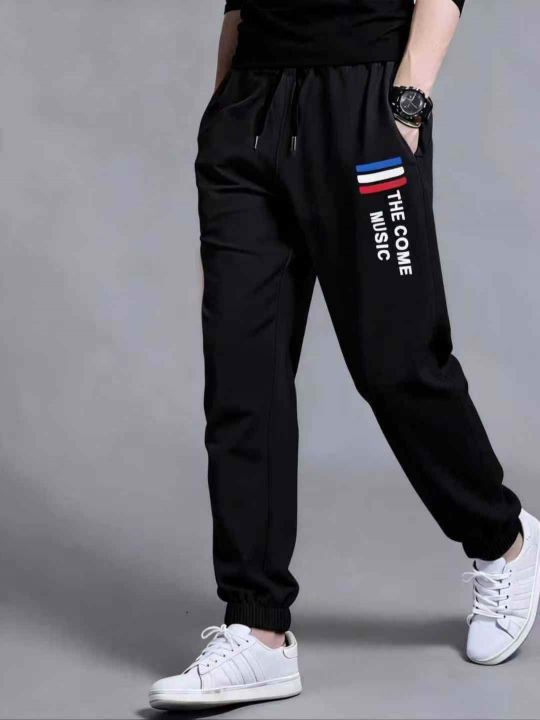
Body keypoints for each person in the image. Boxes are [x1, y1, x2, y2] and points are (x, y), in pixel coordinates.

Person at [149, 0, 540, 710]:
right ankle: (258, 629)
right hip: (248, 108)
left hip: (362, 105)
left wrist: (407, 101)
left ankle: (502, 538)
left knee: (397, 363)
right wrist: (221, 113)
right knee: (241, 373)